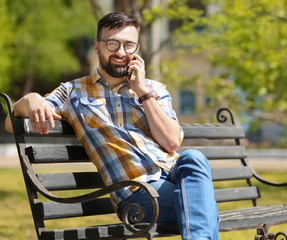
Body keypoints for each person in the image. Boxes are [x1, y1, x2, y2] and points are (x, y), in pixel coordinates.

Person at [5, 12, 219, 239]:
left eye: (129, 45)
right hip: (136, 192)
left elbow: (171, 141)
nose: (121, 52)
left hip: (175, 174)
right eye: (112, 44)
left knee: (193, 157)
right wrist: (31, 99)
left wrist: (143, 93)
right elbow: (11, 123)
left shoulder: (154, 90)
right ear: (97, 47)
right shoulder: (73, 92)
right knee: (202, 206)